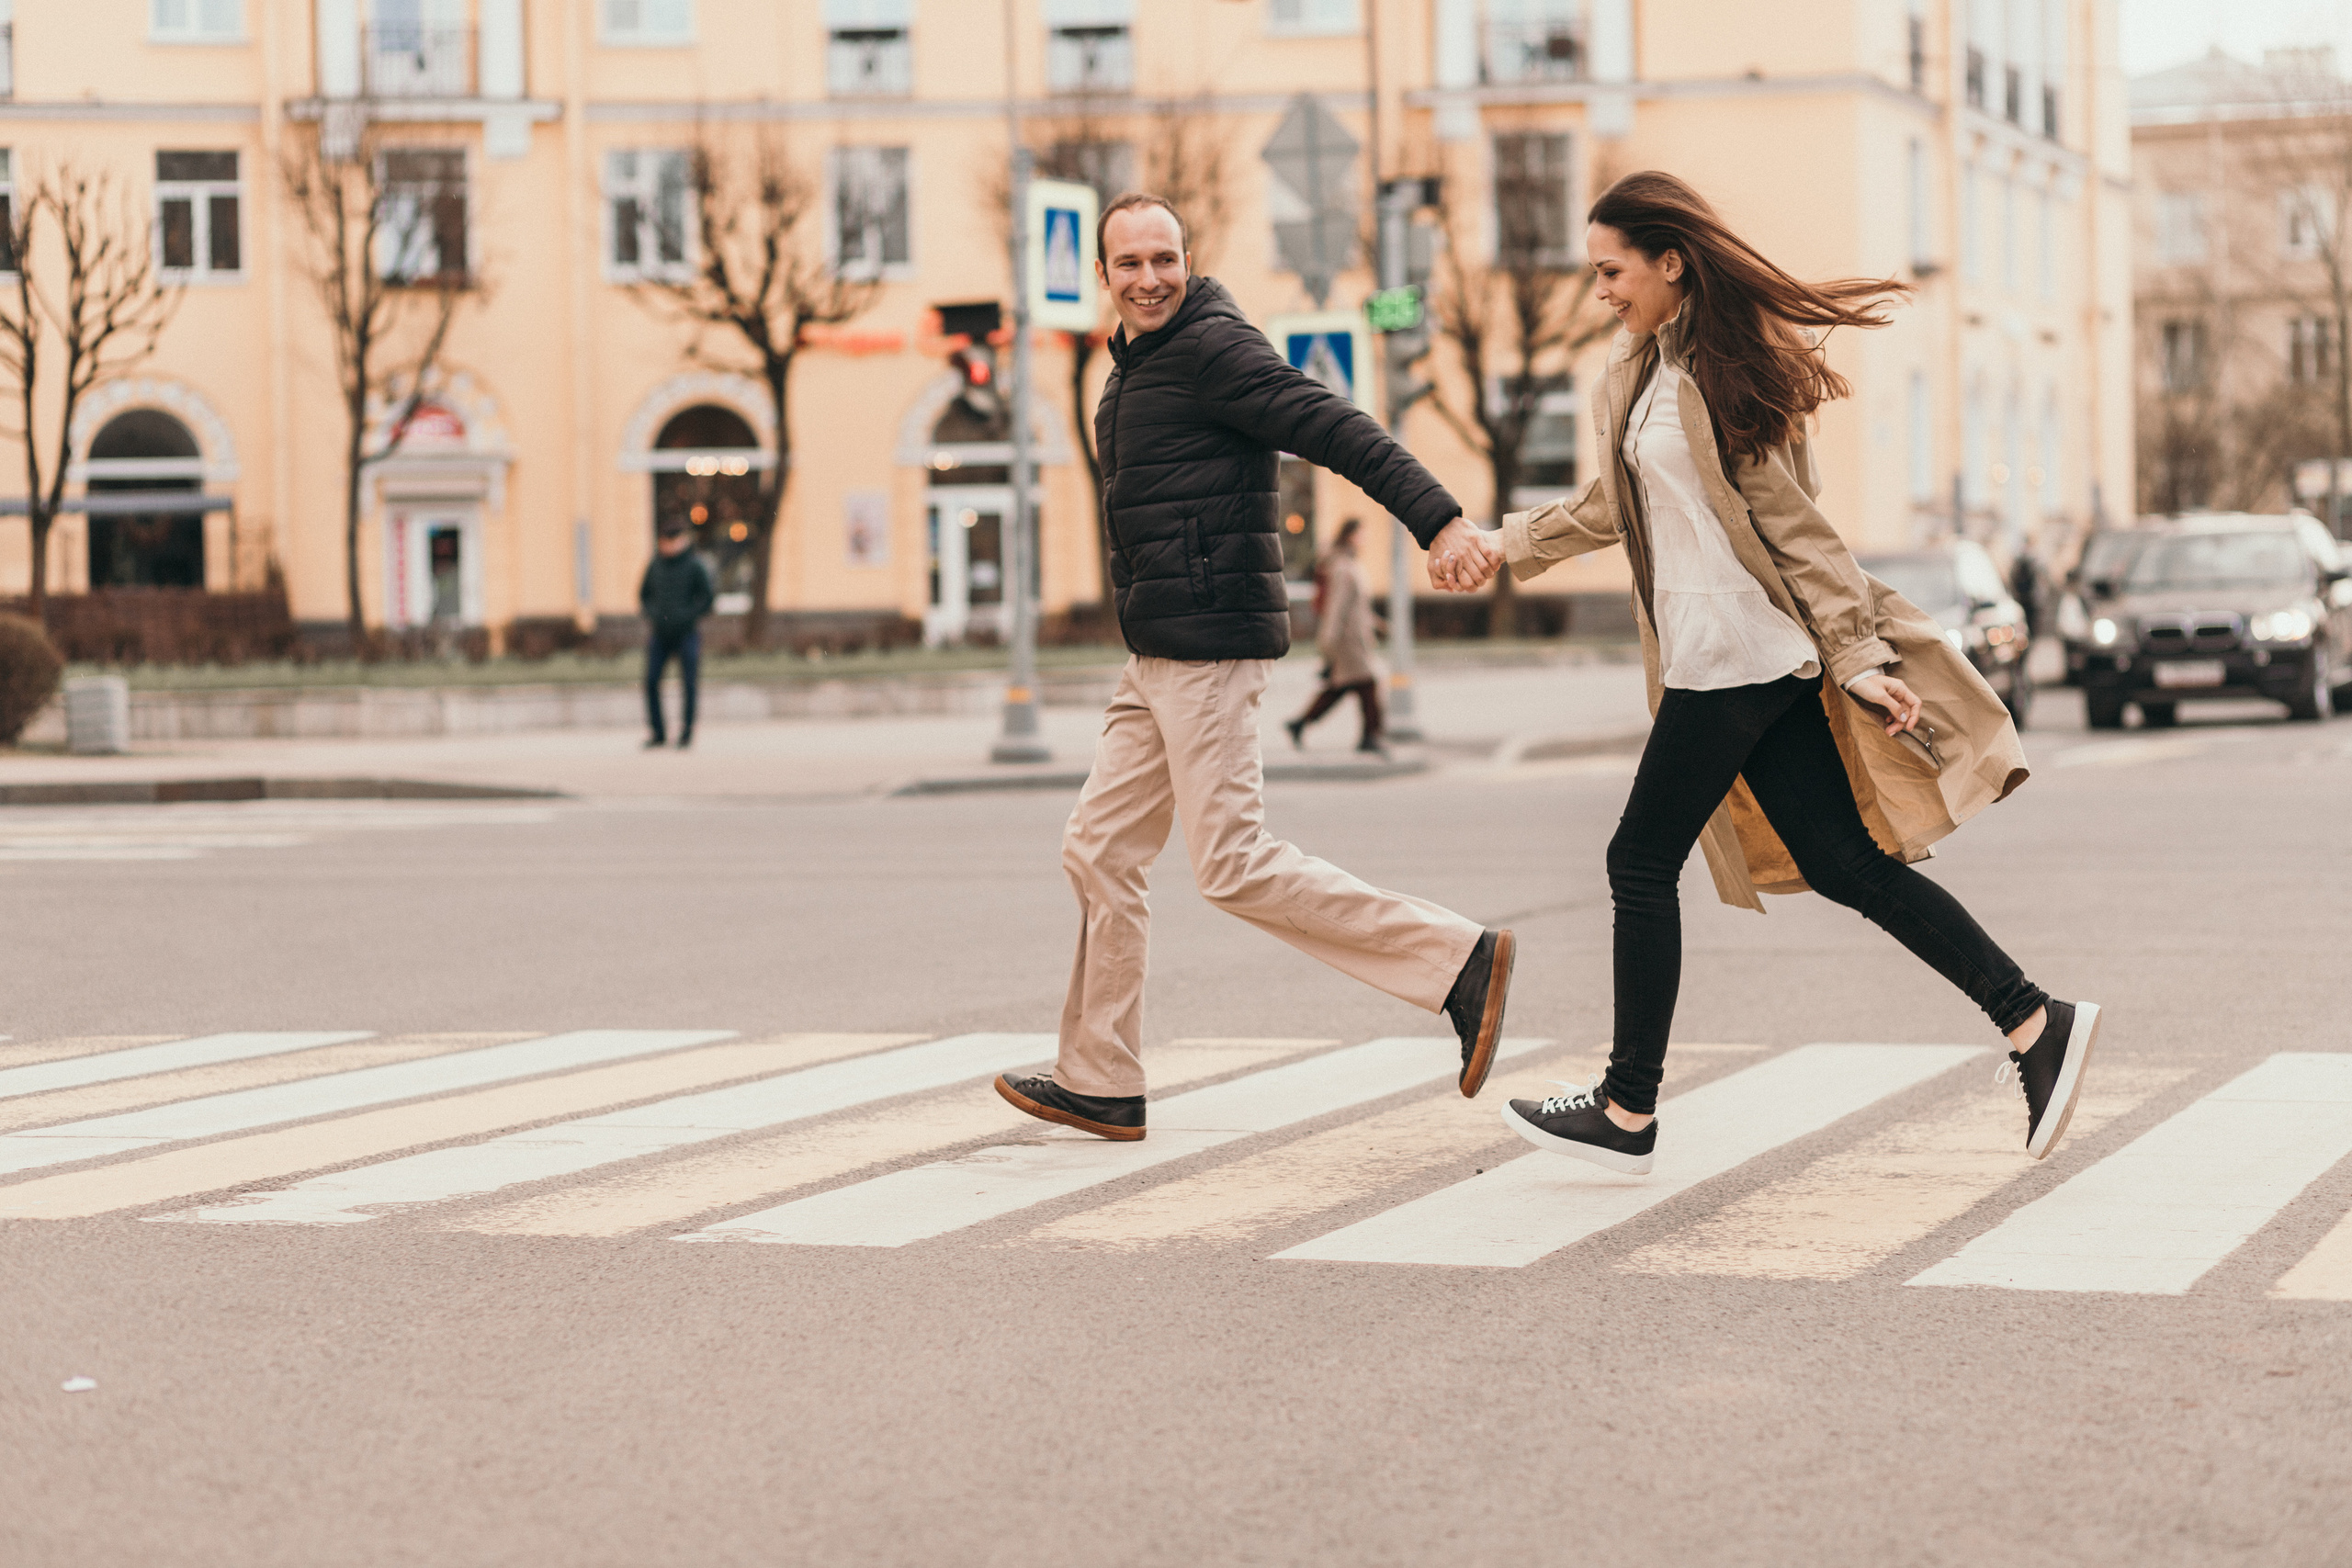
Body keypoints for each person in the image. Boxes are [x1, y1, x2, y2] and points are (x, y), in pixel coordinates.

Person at [1431, 171, 2099, 1174]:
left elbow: (1802, 534)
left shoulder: (1721, 377)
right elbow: (1612, 504)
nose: (1600, 290)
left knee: (1637, 862)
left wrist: (1860, 657)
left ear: (1670, 262)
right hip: (1725, 658)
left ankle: (1626, 1108)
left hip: (1742, 655)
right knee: (1844, 866)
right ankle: (2032, 1021)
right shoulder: (1641, 371)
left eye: (1611, 270)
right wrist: (1502, 542)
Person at [994, 193, 1519, 1142]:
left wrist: (1437, 518)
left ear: (1186, 260)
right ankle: (1100, 1077)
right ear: (1102, 276)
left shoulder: (1211, 349)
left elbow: (1334, 425)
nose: (1149, 278)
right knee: (1099, 848)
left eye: (1165, 259)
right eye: (1129, 264)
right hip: (1155, 653)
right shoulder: (1135, 366)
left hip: (1208, 648)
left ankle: (1456, 961)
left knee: (1232, 865)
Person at [1286, 518, 1386, 756]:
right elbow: (1337, 608)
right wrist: (1328, 642)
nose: (1366, 539)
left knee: (1341, 687)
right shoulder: (1342, 566)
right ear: (1350, 535)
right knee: (1367, 684)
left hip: (1355, 638)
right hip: (1347, 641)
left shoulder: (1350, 563)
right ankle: (1371, 736)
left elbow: (1357, 606)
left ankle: (1299, 724)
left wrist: (1377, 624)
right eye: (1362, 533)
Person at [639, 523, 715, 750]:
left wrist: (688, 616)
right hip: (660, 634)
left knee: (689, 684)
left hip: (686, 634)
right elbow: (644, 595)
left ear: (683, 540)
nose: (668, 546)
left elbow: (708, 599)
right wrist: (653, 614)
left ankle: (686, 733)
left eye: (672, 541)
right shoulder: (655, 566)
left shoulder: (694, 566)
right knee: (651, 681)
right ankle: (658, 732)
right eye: (664, 541)